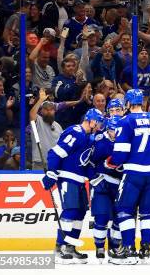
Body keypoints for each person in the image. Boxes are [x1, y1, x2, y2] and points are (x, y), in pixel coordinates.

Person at [110, 89, 150, 264]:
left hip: (134, 173)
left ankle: (129, 249)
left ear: (128, 104)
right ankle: (145, 249)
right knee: (147, 212)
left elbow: (120, 154)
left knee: (125, 210)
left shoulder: (125, 121)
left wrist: (111, 163)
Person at [41, 108, 105, 264]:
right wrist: (51, 172)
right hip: (67, 177)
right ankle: (59, 248)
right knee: (70, 211)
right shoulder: (75, 132)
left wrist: (93, 178)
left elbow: (84, 162)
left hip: (79, 179)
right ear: (92, 120)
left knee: (80, 212)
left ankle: (70, 246)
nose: (100, 126)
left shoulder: (88, 138)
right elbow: (56, 153)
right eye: (99, 122)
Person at [89, 115, 123, 262]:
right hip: (102, 183)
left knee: (119, 219)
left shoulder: (126, 141)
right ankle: (100, 247)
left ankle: (115, 246)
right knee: (101, 217)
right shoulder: (99, 141)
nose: (113, 134)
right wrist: (94, 176)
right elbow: (89, 162)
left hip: (120, 185)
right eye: (111, 130)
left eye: (116, 131)